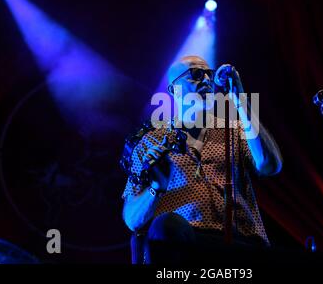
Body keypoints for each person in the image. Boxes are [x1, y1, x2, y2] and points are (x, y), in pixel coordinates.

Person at [121, 55, 282, 264]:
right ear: (174, 89)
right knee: (165, 225)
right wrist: (155, 187)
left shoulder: (234, 129)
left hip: (242, 242)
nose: (207, 80)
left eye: (210, 74)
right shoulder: (151, 143)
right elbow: (132, 220)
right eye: (197, 74)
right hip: (188, 243)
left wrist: (239, 97)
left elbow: (269, 165)